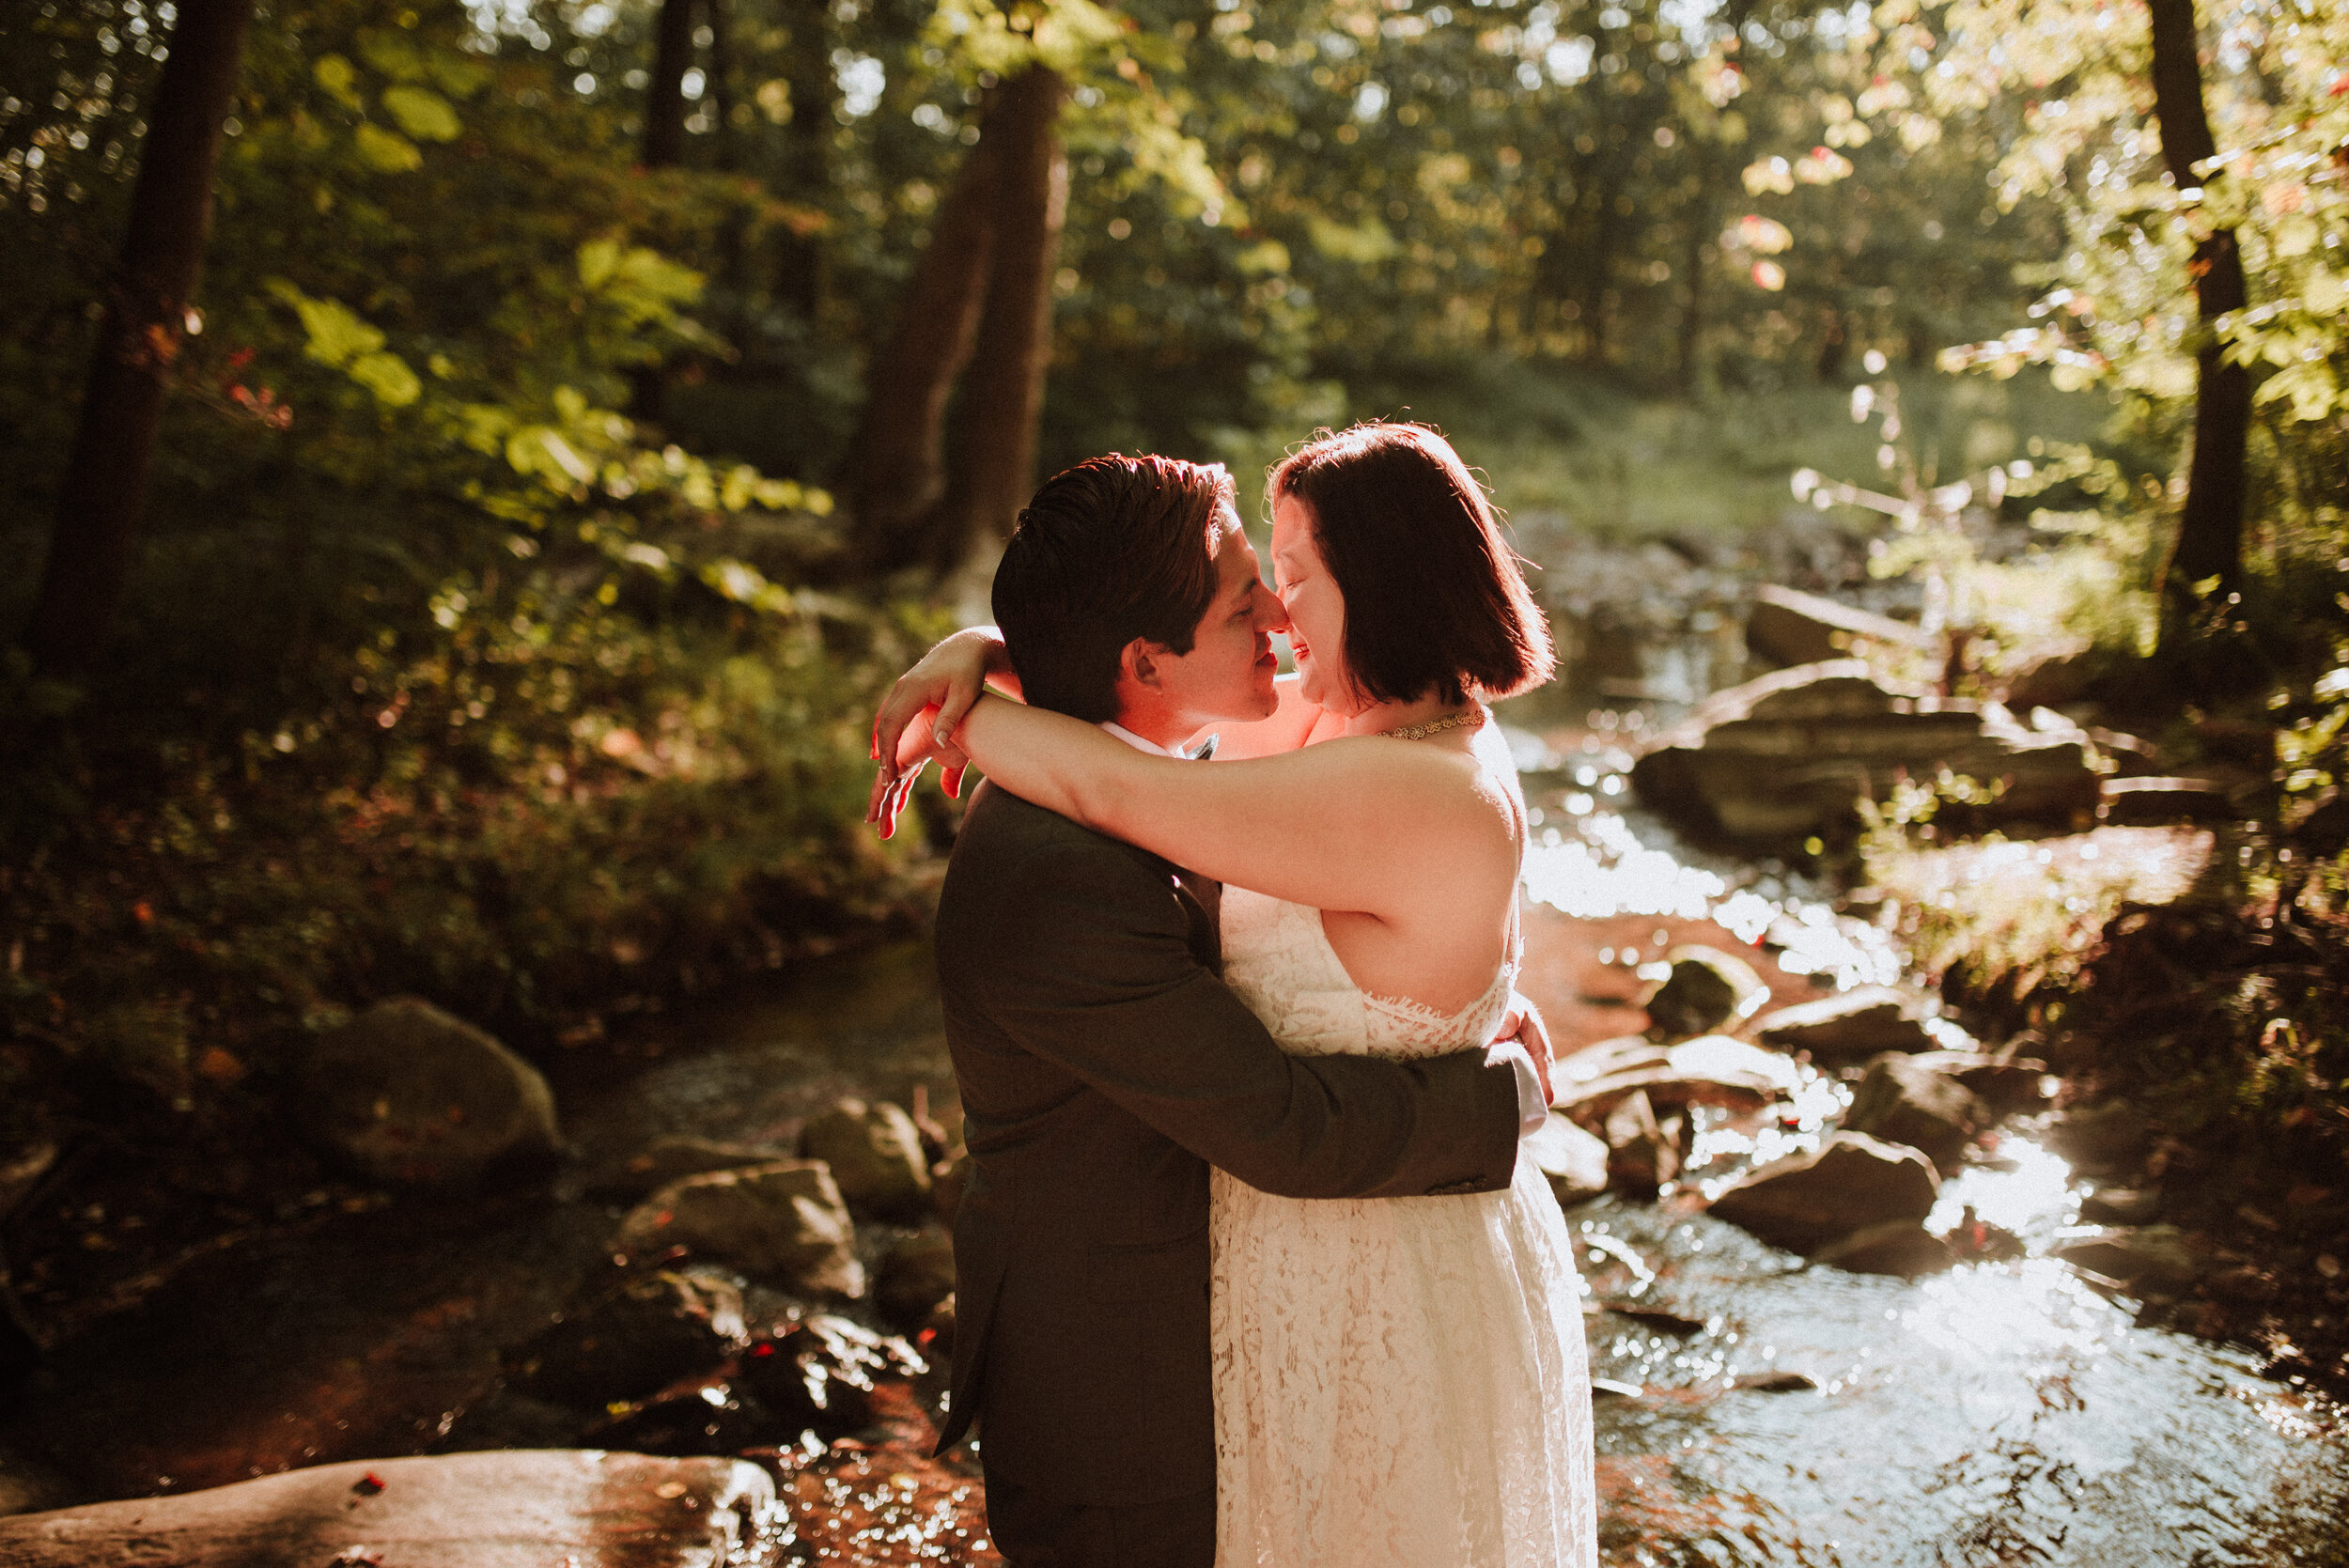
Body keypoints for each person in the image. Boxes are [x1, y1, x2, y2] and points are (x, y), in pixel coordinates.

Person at [875, 425, 1598, 1568]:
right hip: (1139, 1348)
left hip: (1376, 1277)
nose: (1272, 609)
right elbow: (1135, 767)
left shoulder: (1390, 773)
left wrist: (973, 690)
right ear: (1146, 659)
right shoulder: (1323, 730)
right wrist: (997, 648)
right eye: (1255, 583)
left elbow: (1115, 773)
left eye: (1291, 577)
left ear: (1383, 588)